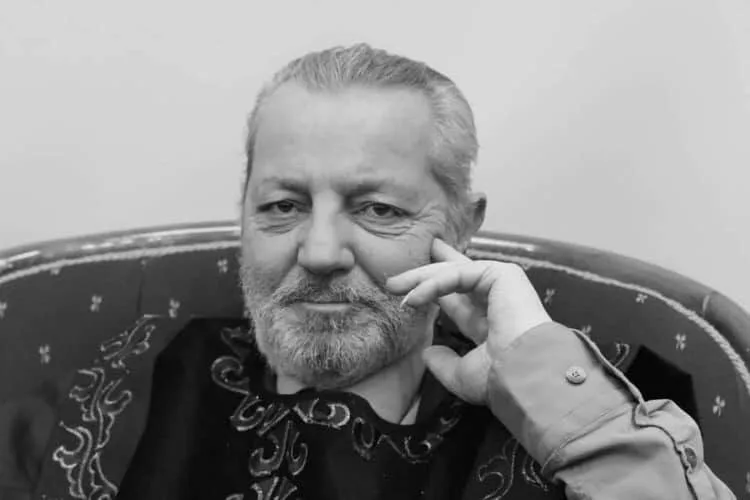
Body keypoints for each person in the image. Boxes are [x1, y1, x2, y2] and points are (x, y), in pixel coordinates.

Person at [0, 44, 737, 499]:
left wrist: (542, 378)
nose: (319, 252)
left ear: (462, 226)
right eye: (283, 206)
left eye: (378, 209)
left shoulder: (595, 410)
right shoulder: (116, 382)